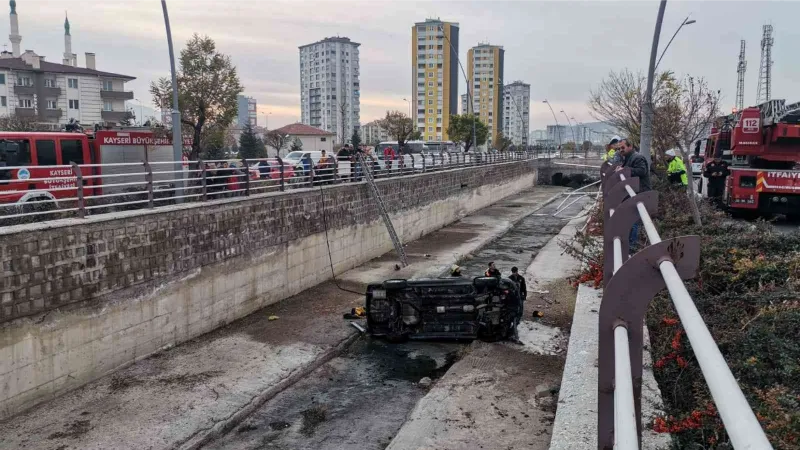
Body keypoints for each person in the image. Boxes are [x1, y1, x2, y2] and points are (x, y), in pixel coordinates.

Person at [615, 139, 650, 251]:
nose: (621, 150)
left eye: (622, 147)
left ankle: (632, 246)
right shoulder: (628, 158)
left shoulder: (637, 157)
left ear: (630, 146)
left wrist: (624, 169)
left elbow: (642, 171)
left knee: (633, 220)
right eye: (619, 148)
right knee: (631, 219)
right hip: (634, 192)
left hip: (639, 192)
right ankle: (630, 244)